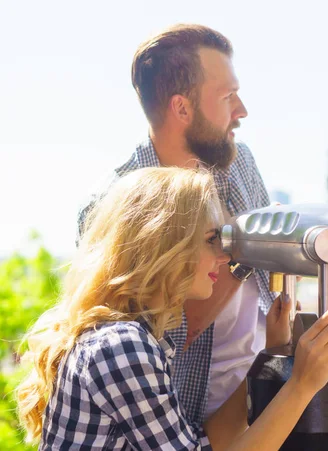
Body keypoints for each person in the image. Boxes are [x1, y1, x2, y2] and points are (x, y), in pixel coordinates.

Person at [17, 167, 328, 450]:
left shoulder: (128, 339)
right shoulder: (122, 348)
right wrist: (302, 384)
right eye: (209, 240)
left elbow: (205, 442)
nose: (223, 256)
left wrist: (269, 356)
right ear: (163, 245)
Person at [76, 24, 279, 426]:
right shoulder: (112, 207)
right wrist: (242, 254)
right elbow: (162, 334)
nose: (241, 111)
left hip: (265, 387)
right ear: (182, 108)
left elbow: (273, 277)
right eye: (227, 97)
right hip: (184, 413)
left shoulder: (238, 162)